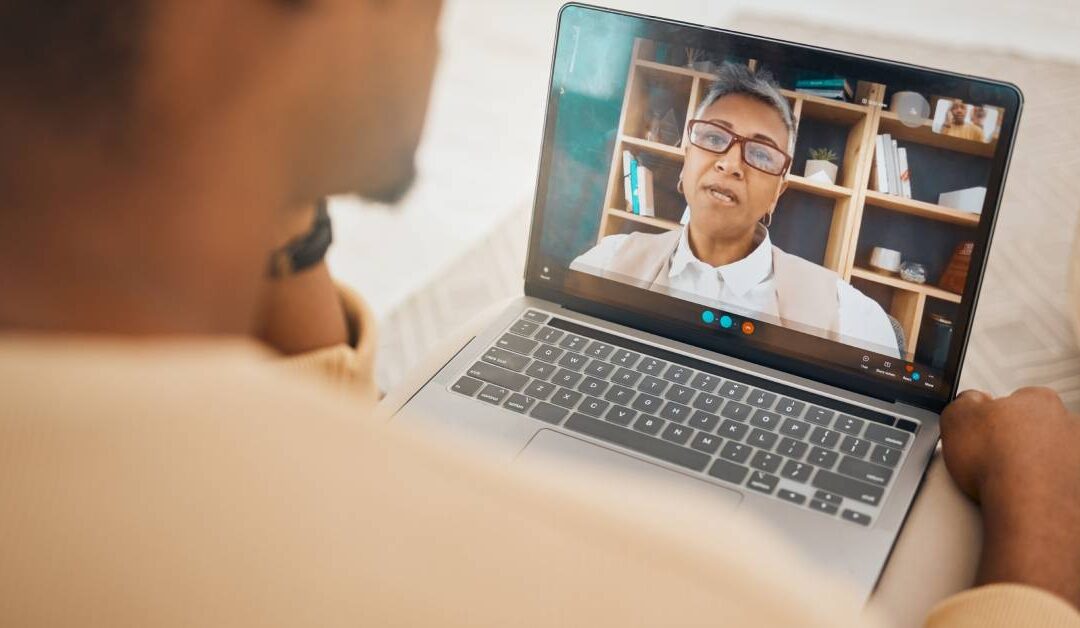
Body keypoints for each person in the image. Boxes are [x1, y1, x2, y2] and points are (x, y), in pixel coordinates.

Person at [0, 2, 1077, 626]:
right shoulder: (719, 598)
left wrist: (276, 196)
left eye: (761, 152)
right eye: (713, 137)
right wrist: (1044, 527)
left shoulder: (863, 325)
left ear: (787, 182)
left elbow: (335, 440)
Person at [572, 64, 901, 358]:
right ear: (686, 161)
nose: (730, 164)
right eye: (714, 137)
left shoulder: (844, 311)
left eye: (760, 154)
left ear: (777, 193)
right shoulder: (608, 262)